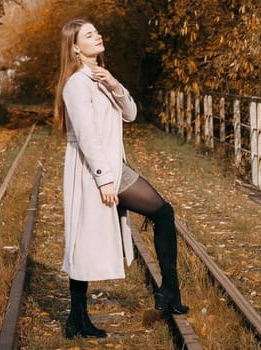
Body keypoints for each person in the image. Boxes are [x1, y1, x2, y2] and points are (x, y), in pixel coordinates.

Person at [52, 19, 190, 340]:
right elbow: (87, 137)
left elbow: (131, 113)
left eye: (97, 31)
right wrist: (103, 180)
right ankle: (80, 317)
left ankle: (167, 293)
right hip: (94, 169)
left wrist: (114, 83)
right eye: (89, 35)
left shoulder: (100, 78)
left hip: (114, 164)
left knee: (161, 212)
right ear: (75, 48)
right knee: (84, 240)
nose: (97, 35)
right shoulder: (77, 84)